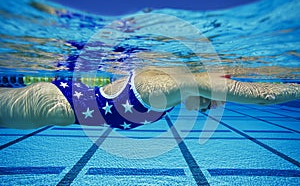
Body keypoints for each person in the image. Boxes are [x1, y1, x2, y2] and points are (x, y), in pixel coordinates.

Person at [0, 67, 299, 129]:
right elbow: (263, 95)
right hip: (51, 104)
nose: (209, 107)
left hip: (56, 106)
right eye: (212, 99)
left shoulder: (172, 90)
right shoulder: (171, 86)